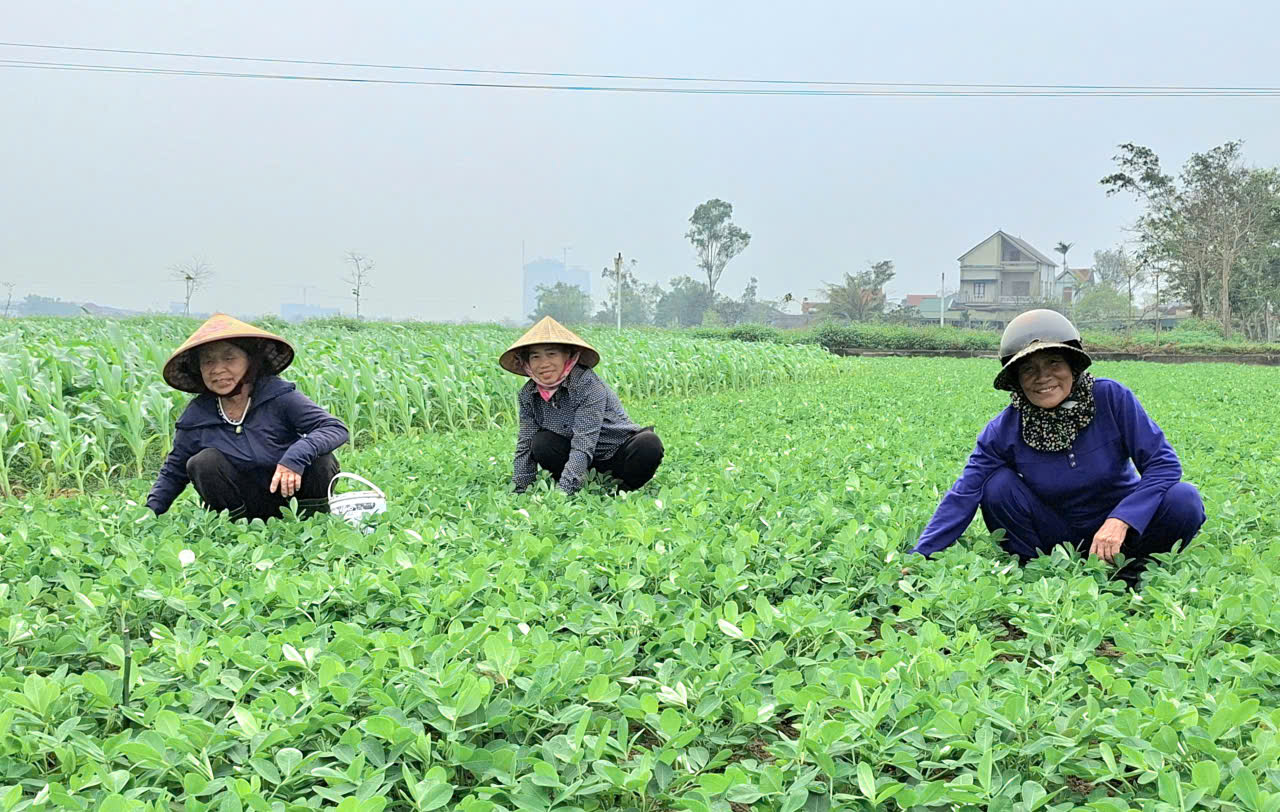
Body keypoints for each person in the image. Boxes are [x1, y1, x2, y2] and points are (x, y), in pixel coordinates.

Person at [910, 309, 1205, 588]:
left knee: (1184, 499)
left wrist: (1122, 518)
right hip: (1055, 538)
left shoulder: (1110, 397)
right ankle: (1040, 575)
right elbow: (963, 495)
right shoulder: (1003, 430)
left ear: (1072, 366)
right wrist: (919, 557)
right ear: (1017, 381)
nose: (1043, 377)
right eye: (1028, 369)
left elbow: (1163, 464)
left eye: (1054, 363)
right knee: (997, 486)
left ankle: (1131, 571)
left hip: (1122, 533)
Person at [147, 314, 349, 521]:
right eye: (208, 361)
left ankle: (312, 523)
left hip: (292, 498)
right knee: (203, 462)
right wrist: (149, 513)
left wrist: (296, 456)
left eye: (229, 358)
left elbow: (334, 428)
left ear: (251, 361)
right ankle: (236, 528)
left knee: (321, 459)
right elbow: (174, 471)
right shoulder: (197, 415)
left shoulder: (279, 397)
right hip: (241, 507)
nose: (217, 369)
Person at [500, 316, 664, 495]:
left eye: (551, 354)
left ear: (568, 356)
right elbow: (525, 443)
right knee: (540, 442)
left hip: (616, 452)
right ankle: (581, 482)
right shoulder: (528, 395)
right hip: (579, 459)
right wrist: (520, 489)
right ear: (527, 363)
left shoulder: (586, 385)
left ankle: (624, 490)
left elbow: (584, 442)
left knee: (648, 444)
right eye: (535, 357)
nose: (544, 363)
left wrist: (563, 493)